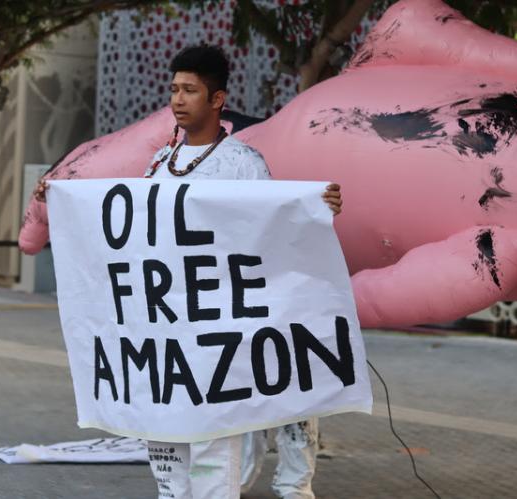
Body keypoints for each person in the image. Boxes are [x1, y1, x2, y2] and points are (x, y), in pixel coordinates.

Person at [36, 45, 342, 499]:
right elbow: (138, 227)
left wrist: (313, 208)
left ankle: (284, 485)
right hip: (170, 328)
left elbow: (270, 228)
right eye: (174, 89)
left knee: (228, 420)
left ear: (217, 99)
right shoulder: (161, 163)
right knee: (171, 425)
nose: (178, 100)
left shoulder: (243, 164)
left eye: (190, 90)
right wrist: (61, 199)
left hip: (221, 321)